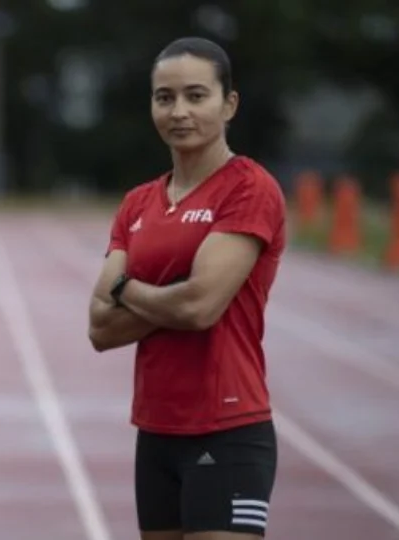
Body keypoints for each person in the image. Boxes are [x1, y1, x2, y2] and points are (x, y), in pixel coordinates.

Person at [87, 37, 286, 540]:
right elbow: (100, 328)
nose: (179, 111)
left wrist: (126, 287)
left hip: (228, 427)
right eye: (165, 97)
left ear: (229, 104)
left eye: (196, 96)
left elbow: (199, 308)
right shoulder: (137, 203)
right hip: (155, 430)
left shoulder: (249, 188)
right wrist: (172, 293)